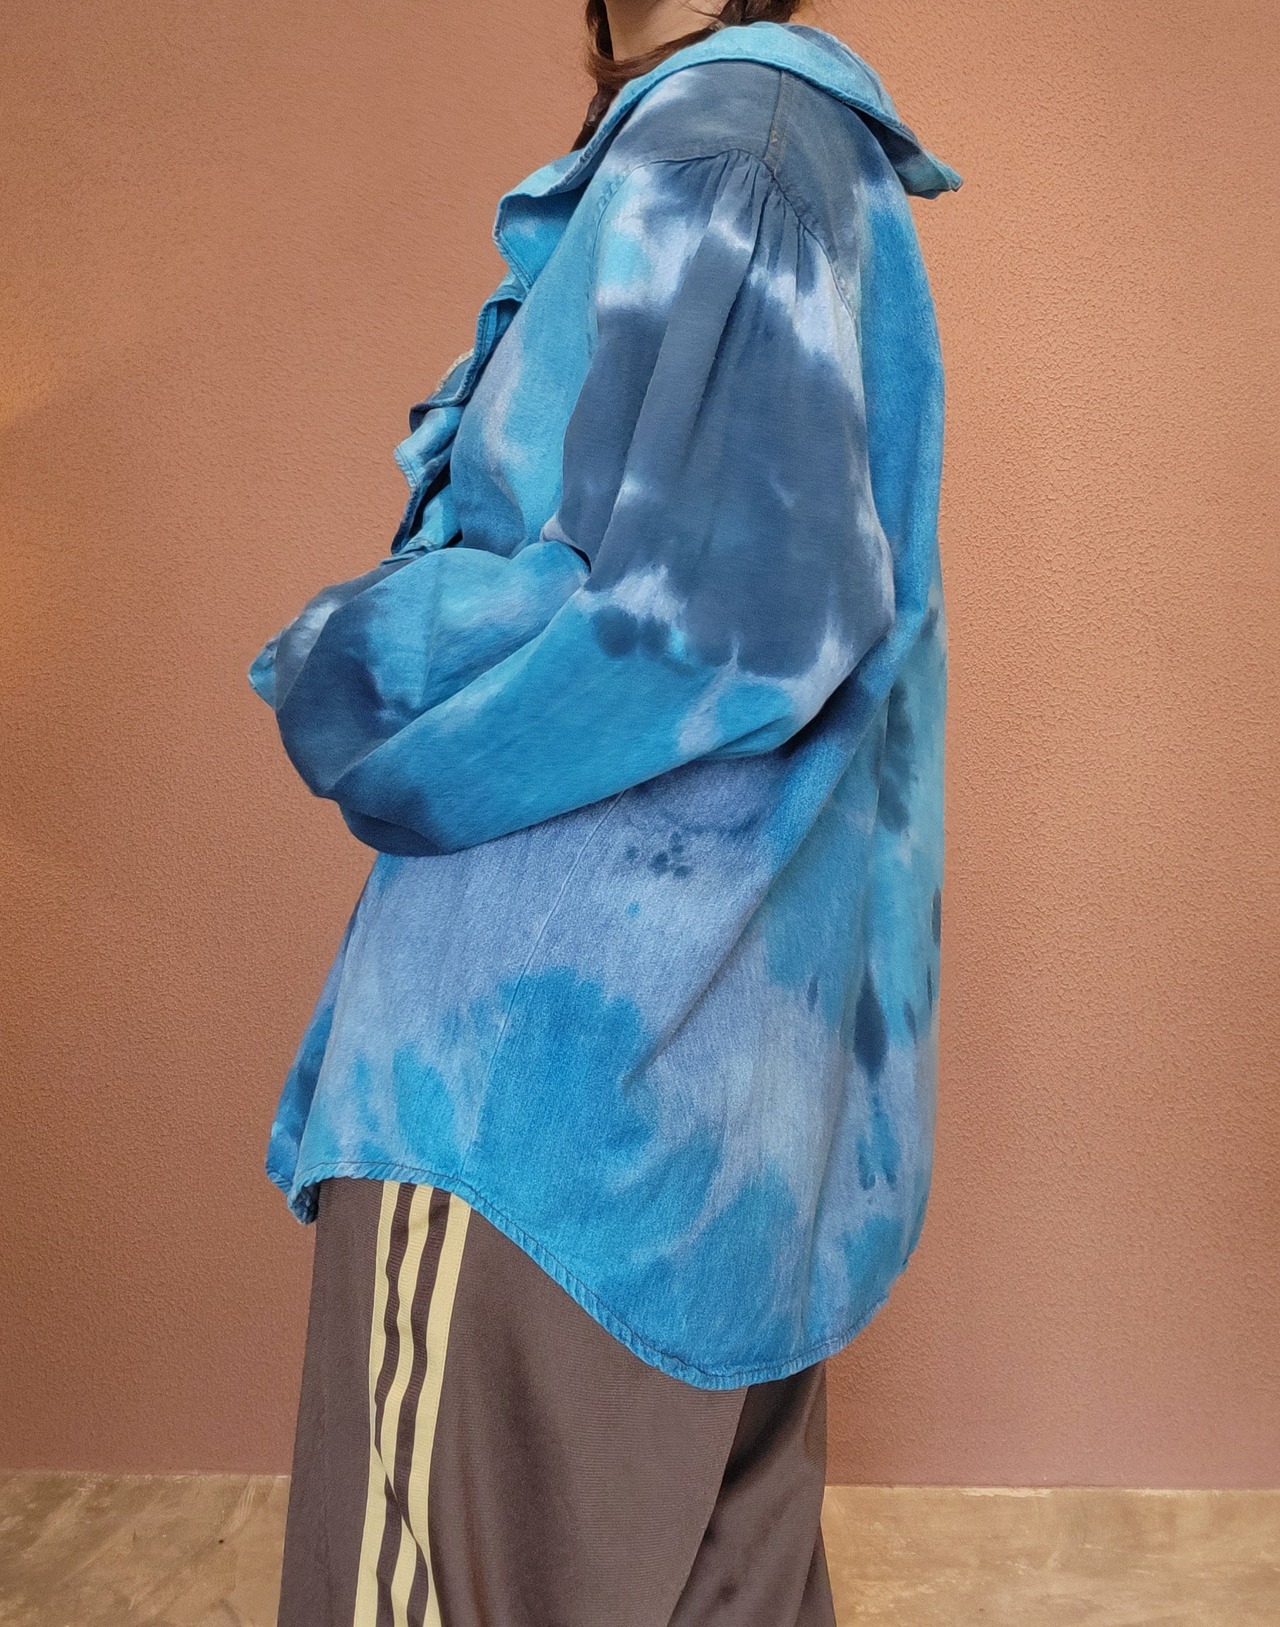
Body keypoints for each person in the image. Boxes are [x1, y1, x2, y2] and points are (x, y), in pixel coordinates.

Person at [250, 4, 962, 1623]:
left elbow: (717, 621)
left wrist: (351, 656)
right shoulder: (758, 144)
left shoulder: (733, 150)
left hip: (540, 1104)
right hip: (707, 1121)